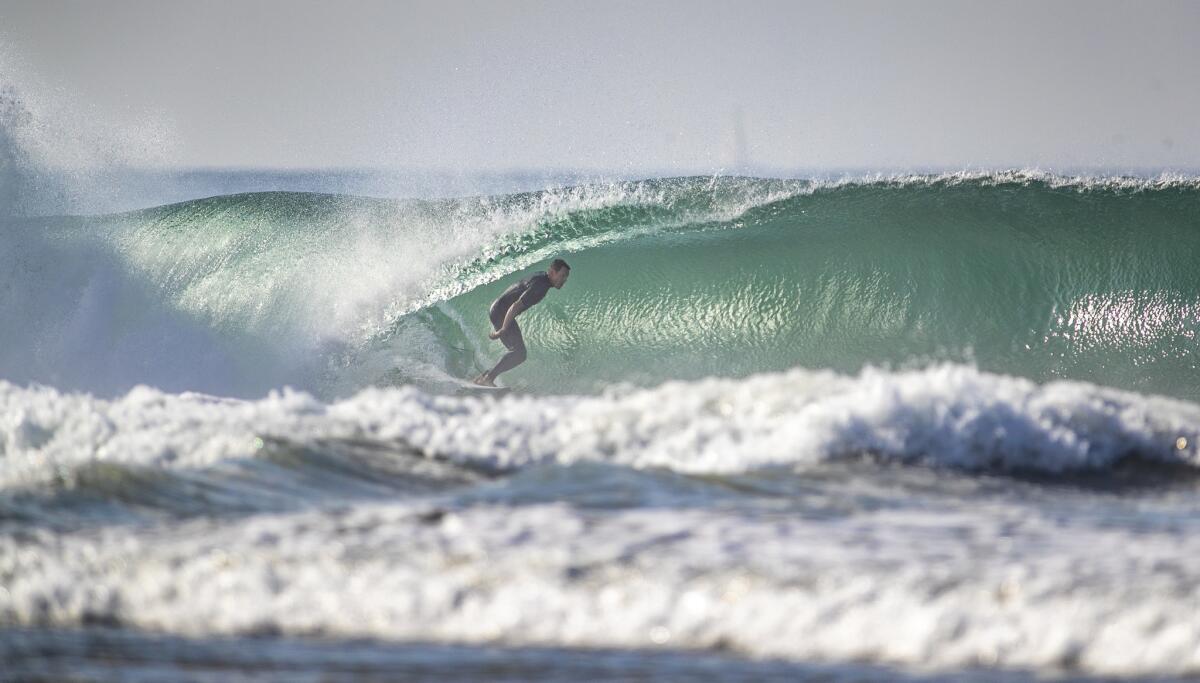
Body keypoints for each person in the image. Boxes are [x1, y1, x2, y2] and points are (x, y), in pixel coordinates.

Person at [473, 258, 570, 387]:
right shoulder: (540, 286)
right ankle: (488, 378)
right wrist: (503, 329)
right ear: (552, 272)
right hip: (501, 312)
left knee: (517, 352)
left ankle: (485, 376)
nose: (564, 280)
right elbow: (515, 306)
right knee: (519, 353)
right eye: (562, 276)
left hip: (499, 309)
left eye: (566, 277)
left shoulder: (542, 278)